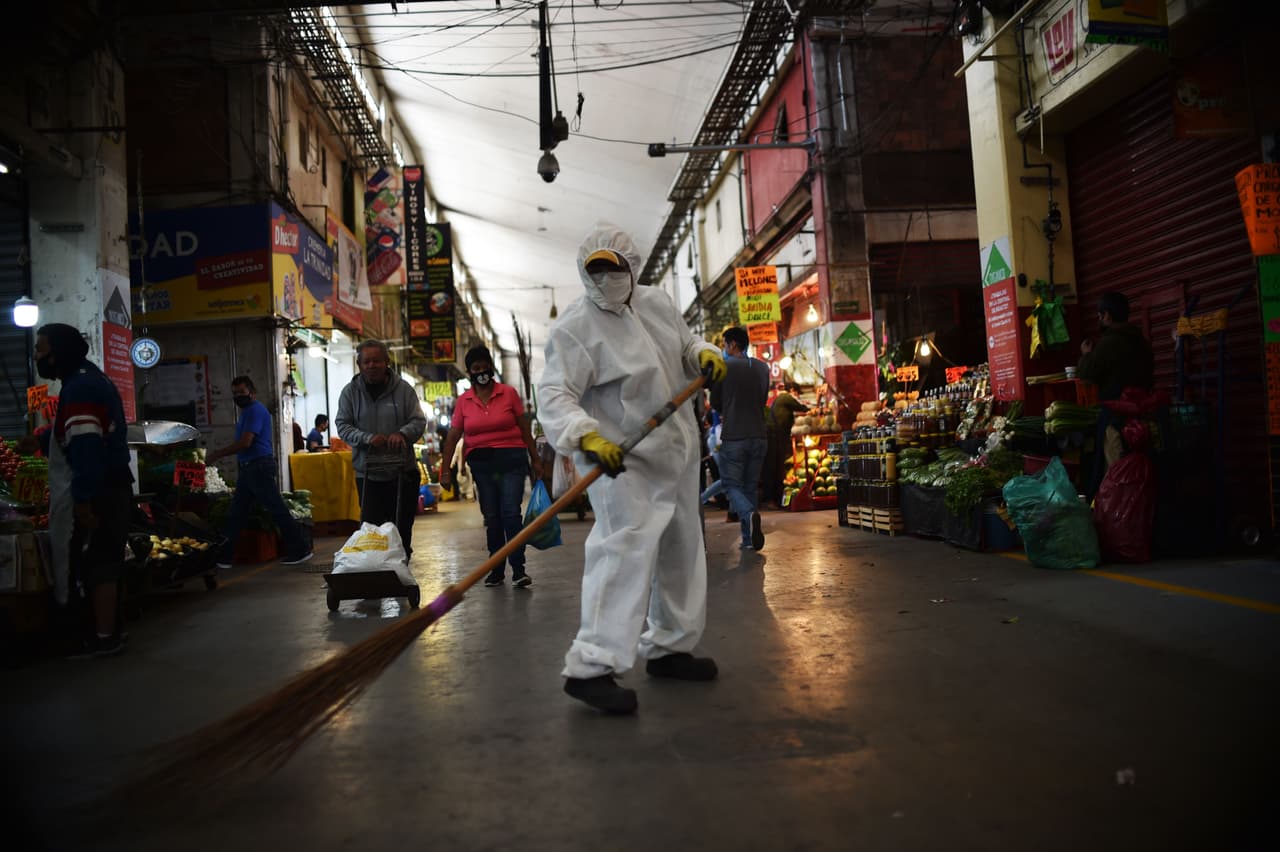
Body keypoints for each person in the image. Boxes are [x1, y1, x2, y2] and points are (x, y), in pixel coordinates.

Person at [537, 223, 727, 715]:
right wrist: (585, 435)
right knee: (623, 550)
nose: (605, 278)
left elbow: (684, 347)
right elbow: (555, 395)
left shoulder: (657, 304)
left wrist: (703, 353)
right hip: (621, 459)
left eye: (612, 267)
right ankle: (591, 667)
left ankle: (670, 646)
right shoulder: (575, 328)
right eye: (594, 269)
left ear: (631, 267)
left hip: (676, 450)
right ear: (583, 271)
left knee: (682, 547)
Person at [35, 324, 135, 658]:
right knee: (105, 559)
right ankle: (111, 630)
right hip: (112, 484)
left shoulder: (79, 388)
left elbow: (87, 446)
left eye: (41, 348)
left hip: (102, 488)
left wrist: (83, 500)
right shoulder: (90, 379)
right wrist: (40, 438)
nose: (37, 355)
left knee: (99, 562)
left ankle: (102, 637)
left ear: (59, 351)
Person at [439, 346, 544, 588]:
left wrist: (535, 458)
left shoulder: (508, 393)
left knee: (510, 512)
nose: (481, 371)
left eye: (484, 366)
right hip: (483, 466)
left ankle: (518, 569)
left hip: (511, 461)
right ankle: (496, 569)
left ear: (491, 367)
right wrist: (446, 469)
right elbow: (454, 436)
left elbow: (524, 428)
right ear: (469, 372)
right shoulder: (464, 401)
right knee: (492, 517)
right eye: (476, 368)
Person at [208, 376, 313, 568]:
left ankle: (300, 549)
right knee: (236, 513)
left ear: (252, 392)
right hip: (250, 468)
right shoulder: (247, 412)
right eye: (235, 393)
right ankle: (224, 557)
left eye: (242, 392)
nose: (238, 396)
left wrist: (217, 453)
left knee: (276, 509)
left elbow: (246, 442)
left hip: (258, 467)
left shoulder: (255, 411)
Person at [335, 340, 427, 559]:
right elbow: (343, 425)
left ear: (387, 362)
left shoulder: (404, 390)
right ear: (359, 364)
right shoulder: (350, 393)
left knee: (401, 528)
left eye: (376, 360)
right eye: (366, 361)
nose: (371, 365)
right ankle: (376, 574)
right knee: (371, 530)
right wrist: (367, 438)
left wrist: (402, 433)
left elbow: (418, 420)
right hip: (368, 475)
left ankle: (400, 570)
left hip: (402, 472)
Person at [1078, 291, 1155, 493]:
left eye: (1100, 315)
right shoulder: (1141, 341)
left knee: (1117, 477)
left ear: (1108, 316)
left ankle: (1118, 519)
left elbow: (1087, 374)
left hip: (1117, 421)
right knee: (1140, 474)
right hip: (1144, 419)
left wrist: (1086, 355)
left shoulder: (1109, 343)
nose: (1099, 319)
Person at [711, 326, 770, 551]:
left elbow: (716, 402)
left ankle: (748, 513)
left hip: (735, 436)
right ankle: (748, 539)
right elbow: (763, 399)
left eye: (725, 345)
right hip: (759, 435)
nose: (724, 349)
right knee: (749, 487)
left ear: (733, 344)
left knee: (730, 484)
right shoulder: (763, 368)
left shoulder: (724, 367)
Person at [765, 382, 809, 505]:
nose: (797, 395)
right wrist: (812, 409)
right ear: (792, 390)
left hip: (775, 436)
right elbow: (801, 407)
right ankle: (773, 499)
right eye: (797, 393)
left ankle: (775, 499)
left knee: (775, 467)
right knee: (776, 468)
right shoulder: (786, 397)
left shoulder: (780, 399)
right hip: (775, 436)